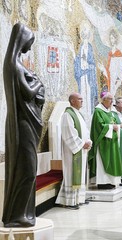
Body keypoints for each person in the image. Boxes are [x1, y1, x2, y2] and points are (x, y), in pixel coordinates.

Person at [2, 22, 45, 227]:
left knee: (27, 167)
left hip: (25, 122)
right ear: (23, 40)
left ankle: (22, 212)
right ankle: (17, 214)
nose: (30, 47)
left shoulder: (15, 64)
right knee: (26, 169)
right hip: (22, 124)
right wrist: (39, 83)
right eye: (30, 42)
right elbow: (28, 92)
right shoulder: (14, 65)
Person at [55, 93, 92, 209]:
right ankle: (70, 201)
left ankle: (79, 199)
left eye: (82, 99)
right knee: (72, 175)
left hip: (81, 150)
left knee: (80, 176)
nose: (82, 101)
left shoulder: (78, 114)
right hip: (73, 151)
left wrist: (88, 141)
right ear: (72, 101)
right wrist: (82, 144)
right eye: (79, 99)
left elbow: (85, 130)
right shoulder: (67, 114)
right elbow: (69, 133)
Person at [88, 92, 122, 190]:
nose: (112, 102)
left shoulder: (111, 112)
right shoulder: (98, 111)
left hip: (112, 141)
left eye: (112, 99)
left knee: (113, 161)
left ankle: (111, 181)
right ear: (104, 100)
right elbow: (99, 127)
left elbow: (116, 123)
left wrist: (116, 127)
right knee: (102, 162)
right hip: (103, 142)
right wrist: (112, 127)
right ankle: (102, 182)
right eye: (110, 99)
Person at [74, 20, 98, 119]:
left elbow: (92, 63)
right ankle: (83, 113)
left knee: (88, 96)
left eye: (85, 30)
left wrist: (87, 66)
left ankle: (88, 114)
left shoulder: (89, 47)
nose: (84, 32)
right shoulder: (80, 47)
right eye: (82, 31)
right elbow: (78, 61)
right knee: (82, 93)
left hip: (88, 76)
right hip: (82, 76)